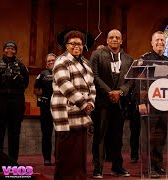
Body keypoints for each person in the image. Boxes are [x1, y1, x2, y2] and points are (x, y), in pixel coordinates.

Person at [51, 30, 96, 180]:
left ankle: (79, 176)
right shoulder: (61, 61)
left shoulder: (86, 63)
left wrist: (91, 103)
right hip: (66, 112)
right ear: (66, 45)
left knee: (79, 152)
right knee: (67, 152)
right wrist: (84, 104)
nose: (76, 46)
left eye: (80, 44)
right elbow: (65, 85)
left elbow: (92, 86)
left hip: (82, 113)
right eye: (72, 44)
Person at [90, 29, 132, 178]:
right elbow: (94, 76)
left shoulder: (128, 59)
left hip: (119, 103)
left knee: (117, 136)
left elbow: (129, 81)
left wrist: (119, 92)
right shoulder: (97, 55)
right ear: (107, 40)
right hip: (102, 101)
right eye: (111, 37)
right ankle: (98, 168)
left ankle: (117, 167)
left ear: (121, 41)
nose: (114, 39)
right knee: (100, 136)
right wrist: (109, 92)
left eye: (117, 37)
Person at [136, 31, 168, 178]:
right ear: (151, 42)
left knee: (161, 136)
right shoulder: (145, 59)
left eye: (162, 40)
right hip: (149, 104)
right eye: (157, 40)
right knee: (150, 138)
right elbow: (139, 82)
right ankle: (149, 167)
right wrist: (141, 102)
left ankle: (158, 164)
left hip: (163, 104)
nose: (160, 43)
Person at [0, 41, 29, 162]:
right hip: (0, 100)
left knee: (14, 132)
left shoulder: (21, 66)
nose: (10, 50)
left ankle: (13, 160)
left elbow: (26, 84)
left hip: (16, 101)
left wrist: (18, 79)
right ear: (3, 50)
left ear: (16, 51)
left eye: (12, 48)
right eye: (7, 48)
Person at [33, 53, 56, 166]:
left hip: (59, 107)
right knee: (46, 134)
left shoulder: (63, 73)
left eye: (53, 60)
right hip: (46, 107)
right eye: (49, 61)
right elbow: (36, 89)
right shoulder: (42, 74)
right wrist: (40, 94)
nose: (51, 62)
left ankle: (59, 157)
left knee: (60, 134)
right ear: (46, 64)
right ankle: (47, 158)